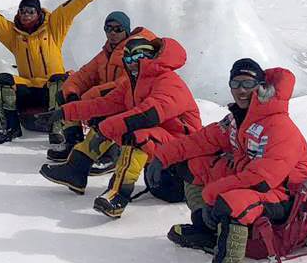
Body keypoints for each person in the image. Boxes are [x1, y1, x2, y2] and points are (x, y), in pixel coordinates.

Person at [143, 58, 307, 263]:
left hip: (284, 194)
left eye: (248, 83)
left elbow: (264, 178)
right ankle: (207, 229)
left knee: (233, 202)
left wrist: (213, 195)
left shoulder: (278, 125)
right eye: (236, 83)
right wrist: (162, 157)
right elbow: (200, 141)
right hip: (253, 180)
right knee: (193, 166)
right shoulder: (237, 120)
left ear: (261, 86)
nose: (241, 89)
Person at [40, 31, 201, 219]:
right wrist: (65, 112)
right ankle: (75, 169)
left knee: (136, 135)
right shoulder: (133, 83)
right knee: (109, 122)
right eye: (128, 57)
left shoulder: (169, 82)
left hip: (183, 163)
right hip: (159, 165)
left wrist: (109, 128)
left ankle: (117, 196)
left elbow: (149, 115)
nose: (133, 61)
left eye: (139, 56)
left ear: (150, 57)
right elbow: (104, 104)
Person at [0, 0, 103, 144]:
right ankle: (10, 127)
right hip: (29, 87)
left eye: (30, 11)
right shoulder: (14, 35)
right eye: (22, 11)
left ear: (38, 13)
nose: (26, 15)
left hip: (51, 89)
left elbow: (70, 8)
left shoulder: (53, 26)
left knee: (58, 79)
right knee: (3, 81)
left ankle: (57, 129)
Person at [43, 9, 134, 164]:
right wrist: (71, 93)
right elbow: (82, 75)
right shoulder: (105, 54)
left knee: (103, 106)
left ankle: (111, 153)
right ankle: (74, 143)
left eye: (118, 29)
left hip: (125, 103)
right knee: (65, 95)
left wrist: (90, 97)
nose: (112, 33)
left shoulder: (132, 52)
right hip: (103, 98)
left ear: (126, 31)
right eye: (108, 28)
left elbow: (126, 83)